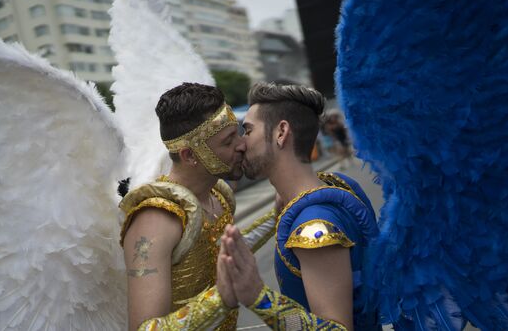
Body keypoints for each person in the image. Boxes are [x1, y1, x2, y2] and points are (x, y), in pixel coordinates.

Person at [218, 82, 381, 330]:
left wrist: (258, 297)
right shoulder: (339, 187)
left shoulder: (314, 227)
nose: (241, 144)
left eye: (248, 130)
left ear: (281, 132)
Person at [119, 82, 275, 330]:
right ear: (189, 155)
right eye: (227, 141)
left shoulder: (218, 196)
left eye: (238, 133)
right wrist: (220, 299)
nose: (242, 144)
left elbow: (221, 254)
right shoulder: (156, 219)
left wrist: (278, 214)